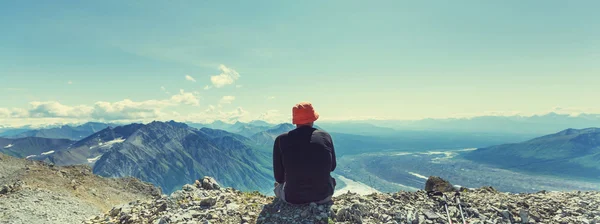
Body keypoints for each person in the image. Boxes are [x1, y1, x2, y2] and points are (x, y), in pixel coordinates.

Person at [272, 102, 337, 204]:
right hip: (324, 196)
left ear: (295, 120)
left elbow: (279, 178)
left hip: (292, 198)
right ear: (313, 119)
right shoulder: (325, 136)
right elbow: (332, 167)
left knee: (277, 186)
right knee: (331, 180)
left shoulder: (281, 140)